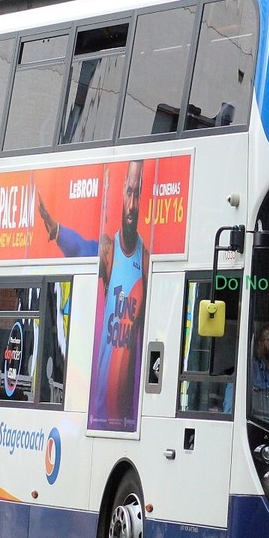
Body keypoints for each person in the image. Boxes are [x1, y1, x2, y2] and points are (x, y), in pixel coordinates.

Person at [87, 160, 150, 431]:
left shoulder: (146, 261)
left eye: (138, 194)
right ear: (122, 191)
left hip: (127, 418)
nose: (133, 203)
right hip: (99, 413)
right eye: (129, 192)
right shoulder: (107, 249)